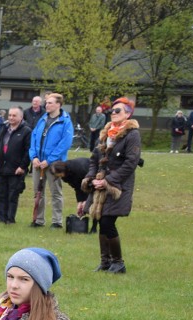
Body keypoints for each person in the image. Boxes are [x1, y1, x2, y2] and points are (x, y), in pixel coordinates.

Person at [81, 97, 140, 274]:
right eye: (112, 111)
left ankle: (118, 262)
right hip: (99, 185)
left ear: (128, 114)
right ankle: (105, 262)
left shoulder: (132, 134)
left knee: (107, 221)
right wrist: (92, 178)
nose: (113, 114)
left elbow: (131, 163)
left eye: (118, 111)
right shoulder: (106, 133)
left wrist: (108, 181)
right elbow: (94, 159)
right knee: (99, 220)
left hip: (117, 186)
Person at [29, 93, 73, 228]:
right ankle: (38, 220)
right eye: (46, 103)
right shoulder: (42, 119)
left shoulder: (65, 121)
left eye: (50, 103)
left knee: (56, 192)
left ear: (58, 105)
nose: (46, 105)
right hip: (38, 162)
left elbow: (64, 144)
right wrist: (34, 157)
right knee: (38, 192)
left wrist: (49, 160)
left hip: (54, 163)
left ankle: (57, 221)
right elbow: (34, 138)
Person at [0, 106, 31, 223]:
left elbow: (28, 151)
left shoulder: (26, 131)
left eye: (14, 115)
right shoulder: (3, 129)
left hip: (16, 169)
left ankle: (10, 219)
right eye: (10, 115)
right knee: (1, 194)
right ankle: (1, 218)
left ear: (21, 117)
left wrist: (22, 167)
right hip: (2, 168)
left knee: (12, 195)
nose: (11, 118)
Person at [49, 158, 90, 225]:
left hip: (92, 176)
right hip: (84, 180)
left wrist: (86, 200)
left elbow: (88, 185)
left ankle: (95, 226)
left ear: (61, 170)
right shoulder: (65, 176)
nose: (57, 176)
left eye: (57, 174)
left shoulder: (78, 169)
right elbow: (77, 187)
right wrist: (80, 201)